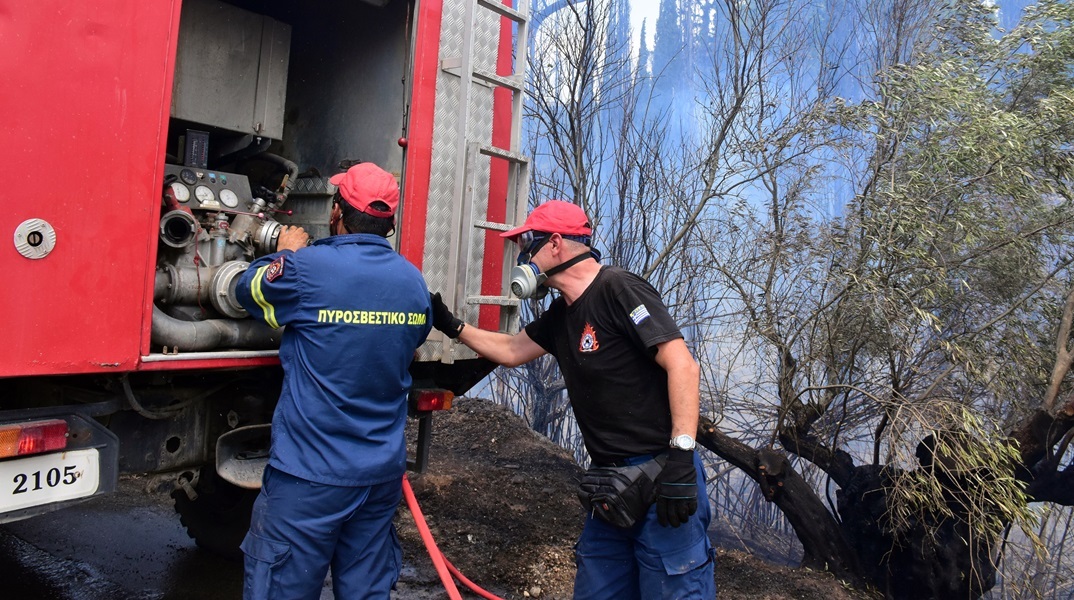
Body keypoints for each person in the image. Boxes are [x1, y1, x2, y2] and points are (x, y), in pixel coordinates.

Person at [430, 200, 715, 599]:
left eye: (528, 244)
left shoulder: (619, 289)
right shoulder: (562, 316)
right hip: (610, 484)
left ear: (556, 244)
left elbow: (682, 366)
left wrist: (682, 458)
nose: (522, 255)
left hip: (664, 478)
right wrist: (453, 326)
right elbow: (512, 351)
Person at [235, 162, 432, 600]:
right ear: (390, 223)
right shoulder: (413, 283)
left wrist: (283, 251)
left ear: (336, 212)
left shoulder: (306, 270)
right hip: (378, 477)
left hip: (309, 478)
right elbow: (412, 342)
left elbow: (246, 291)